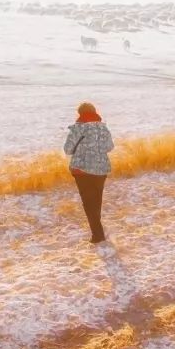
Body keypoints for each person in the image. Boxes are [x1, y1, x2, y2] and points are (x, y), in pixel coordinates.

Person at [63, 102, 114, 243]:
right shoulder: (103, 128)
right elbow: (110, 147)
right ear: (95, 111)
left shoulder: (78, 129)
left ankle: (98, 235)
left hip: (82, 170)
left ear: (80, 113)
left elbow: (67, 150)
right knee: (97, 201)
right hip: (101, 169)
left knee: (88, 203)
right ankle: (98, 232)